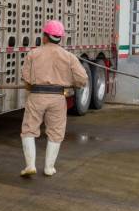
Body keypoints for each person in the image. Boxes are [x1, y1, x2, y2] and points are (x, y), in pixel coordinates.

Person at [19, 20, 89, 177]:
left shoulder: (33, 54)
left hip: (36, 96)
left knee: (29, 130)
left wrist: (33, 87)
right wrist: (73, 84)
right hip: (58, 97)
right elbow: (82, 79)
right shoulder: (69, 56)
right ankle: (49, 168)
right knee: (55, 132)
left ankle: (30, 165)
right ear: (60, 38)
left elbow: (26, 78)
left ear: (45, 37)